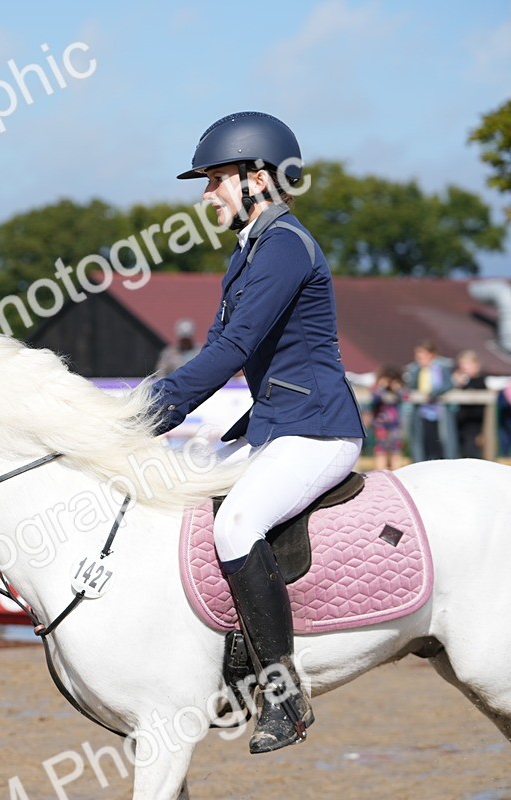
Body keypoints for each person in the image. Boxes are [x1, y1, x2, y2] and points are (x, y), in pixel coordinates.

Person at [150, 112, 364, 754]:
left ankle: (283, 692)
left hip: (317, 430)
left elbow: (235, 348)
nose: (205, 195)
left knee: (236, 525)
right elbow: (218, 344)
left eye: (215, 181)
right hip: (275, 424)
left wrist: (149, 412)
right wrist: (154, 405)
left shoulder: (285, 246)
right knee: (184, 491)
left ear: (256, 178)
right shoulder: (249, 254)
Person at [404, 341, 457, 462]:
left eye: (423, 355)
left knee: (442, 440)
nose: (419, 359)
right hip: (422, 411)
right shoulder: (415, 370)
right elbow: (411, 387)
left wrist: (434, 394)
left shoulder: (441, 368)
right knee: (423, 440)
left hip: (439, 410)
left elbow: (448, 384)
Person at [368, 365, 407, 470]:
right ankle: (381, 470)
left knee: (396, 448)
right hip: (380, 424)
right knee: (381, 448)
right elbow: (374, 399)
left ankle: (396, 471)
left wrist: (397, 388)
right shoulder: (378, 390)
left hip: (395, 424)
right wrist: (381, 386)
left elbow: (405, 397)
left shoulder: (399, 390)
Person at [452, 350, 487, 459]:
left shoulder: (480, 382)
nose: (464, 368)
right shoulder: (460, 383)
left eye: (467, 364)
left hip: (474, 425)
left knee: (472, 453)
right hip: (460, 424)